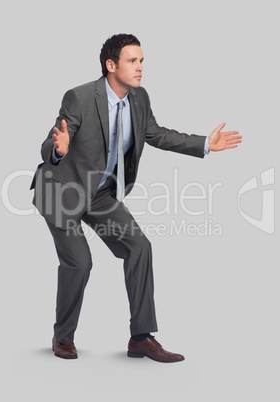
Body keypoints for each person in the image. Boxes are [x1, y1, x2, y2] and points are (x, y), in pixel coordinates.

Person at [30, 33, 242, 363]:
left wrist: (204, 144)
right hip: (62, 190)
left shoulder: (139, 99)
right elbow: (50, 142)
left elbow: (157, 134)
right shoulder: (80, 97)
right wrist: (57, 150)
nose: (140, 67)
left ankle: (141, 337)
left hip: (99, 194)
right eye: (133, 60)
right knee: (80, 262)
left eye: (142, 60)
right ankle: (63, 337)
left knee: (139, 247)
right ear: (110, 65)